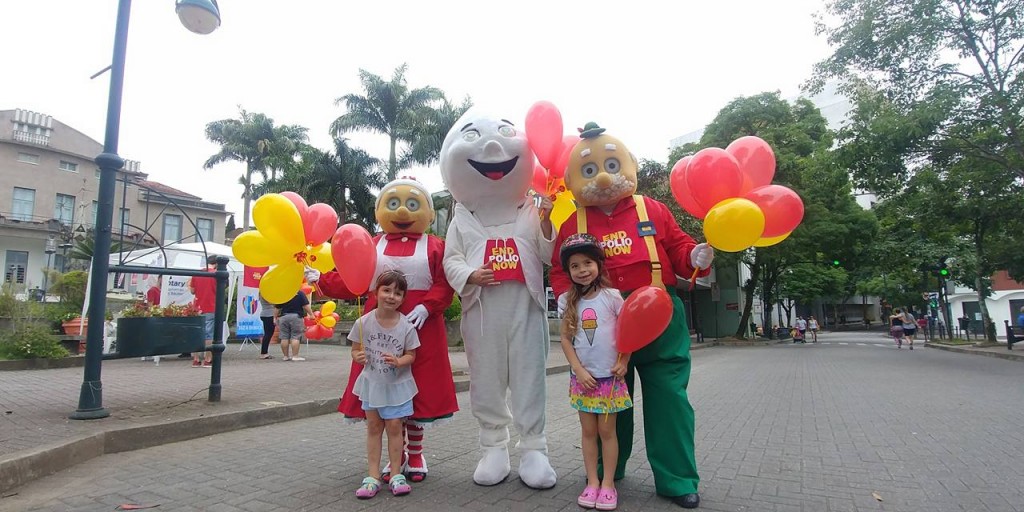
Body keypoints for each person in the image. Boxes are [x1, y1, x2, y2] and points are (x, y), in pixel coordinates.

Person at [550, 123, 713, 509]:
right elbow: (560, 269)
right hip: (601, 319)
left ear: (629, 164)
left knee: (669, 398)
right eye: (590, 170)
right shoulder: (573, 223)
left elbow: (679, 248)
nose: (604, 178)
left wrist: (695, 257)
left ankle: (677, 478)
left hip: (658, 314)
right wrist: (566, 300)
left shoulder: (651, 209)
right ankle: (607, 471)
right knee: (606, 396)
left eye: (611, 165)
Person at [307, 176, 458, 484]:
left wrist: (427, 307)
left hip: (421, 328)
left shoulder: (435, 247)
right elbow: (353, 280)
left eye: (412, 204)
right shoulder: (372, 245)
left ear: (428, 213)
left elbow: (445, 283)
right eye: (393, 203)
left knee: (419, 390)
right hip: (378, 329)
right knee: (385, 388)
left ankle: (415, 453)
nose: (402, 212)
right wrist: (320, 279)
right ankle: (395, 456)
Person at [439, 112, 557, 488]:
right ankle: (493, 446)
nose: (492, 146)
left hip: (525, 306)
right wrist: (470, 275)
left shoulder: (531, 209)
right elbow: (451, 260)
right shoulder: (462, 218)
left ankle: (534, 447)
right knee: (486, 379)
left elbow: (548, 254)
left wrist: (547, 221)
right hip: (482, 311)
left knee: (529, 377)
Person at [557, 234, 632, 511]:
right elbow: (566, 339)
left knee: (607, 431)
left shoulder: (612, 297)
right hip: (583, 380)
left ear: (599, 264)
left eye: (587, 263)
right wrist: (577, 369)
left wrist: (624, 360)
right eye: (575, 266)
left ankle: (608, 484)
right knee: (588, 432)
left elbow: (628, 331)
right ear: (568, 271)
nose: (582, 270)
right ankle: (592, 482)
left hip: (609, 379)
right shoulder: (567, 300)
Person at [351, 270, 420, 499]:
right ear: (376, 293)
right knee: (373, 427)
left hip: (397, 386)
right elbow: (355, 349)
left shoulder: (406, 326)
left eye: (397, 293)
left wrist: (400, 361)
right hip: (372, 385)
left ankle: (396, 474)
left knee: (394, 427)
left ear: (403, 298)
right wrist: (358, 356)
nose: (391, 296)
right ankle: (372, 476)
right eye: (386, 290)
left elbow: (412, 354)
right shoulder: (363, 323)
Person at [188, 256, 218, 368]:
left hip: (197, 307)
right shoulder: (216, 274)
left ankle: (196, 359)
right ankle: (207, 359)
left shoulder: (197, 274)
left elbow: (192, 290)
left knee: (196, 332)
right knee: (209, 334)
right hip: (211, 306)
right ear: (216, 264)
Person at [274, 289, 312, 361]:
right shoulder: (300, 293)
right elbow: (305, 306)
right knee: (295, 336)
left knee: (284, 337)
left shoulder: (283, 293)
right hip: (296, 317)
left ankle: (285, 356)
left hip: (284, 317)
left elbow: (277, 308)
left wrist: (275, 318)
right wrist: (311, 314)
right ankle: (295, 356)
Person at [258, 292, 275, 359]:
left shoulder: (262, 293)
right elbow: (273, 302)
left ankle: (265, 352)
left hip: (266, 314)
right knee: (268, 334)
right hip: (269, 314)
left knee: (268, 334)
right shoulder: (265, 294)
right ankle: (264, 353)